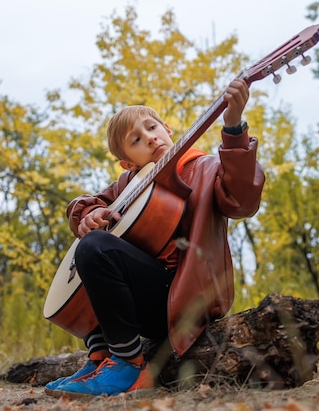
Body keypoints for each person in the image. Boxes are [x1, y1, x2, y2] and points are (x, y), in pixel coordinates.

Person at [45, 78, 265, 398]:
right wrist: (88, 213)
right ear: (128, 162)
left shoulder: (206, 167)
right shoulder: (128, 185)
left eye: (152, 128)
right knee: (89, 247)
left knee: (96, 248)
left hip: (185, 298)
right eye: (136, 139)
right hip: (144, 302)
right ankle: (101, 357)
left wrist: (233, 129)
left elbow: (243, 201)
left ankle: (128, 364)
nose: (149, 138)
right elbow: (87, 203)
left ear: (168, 129)